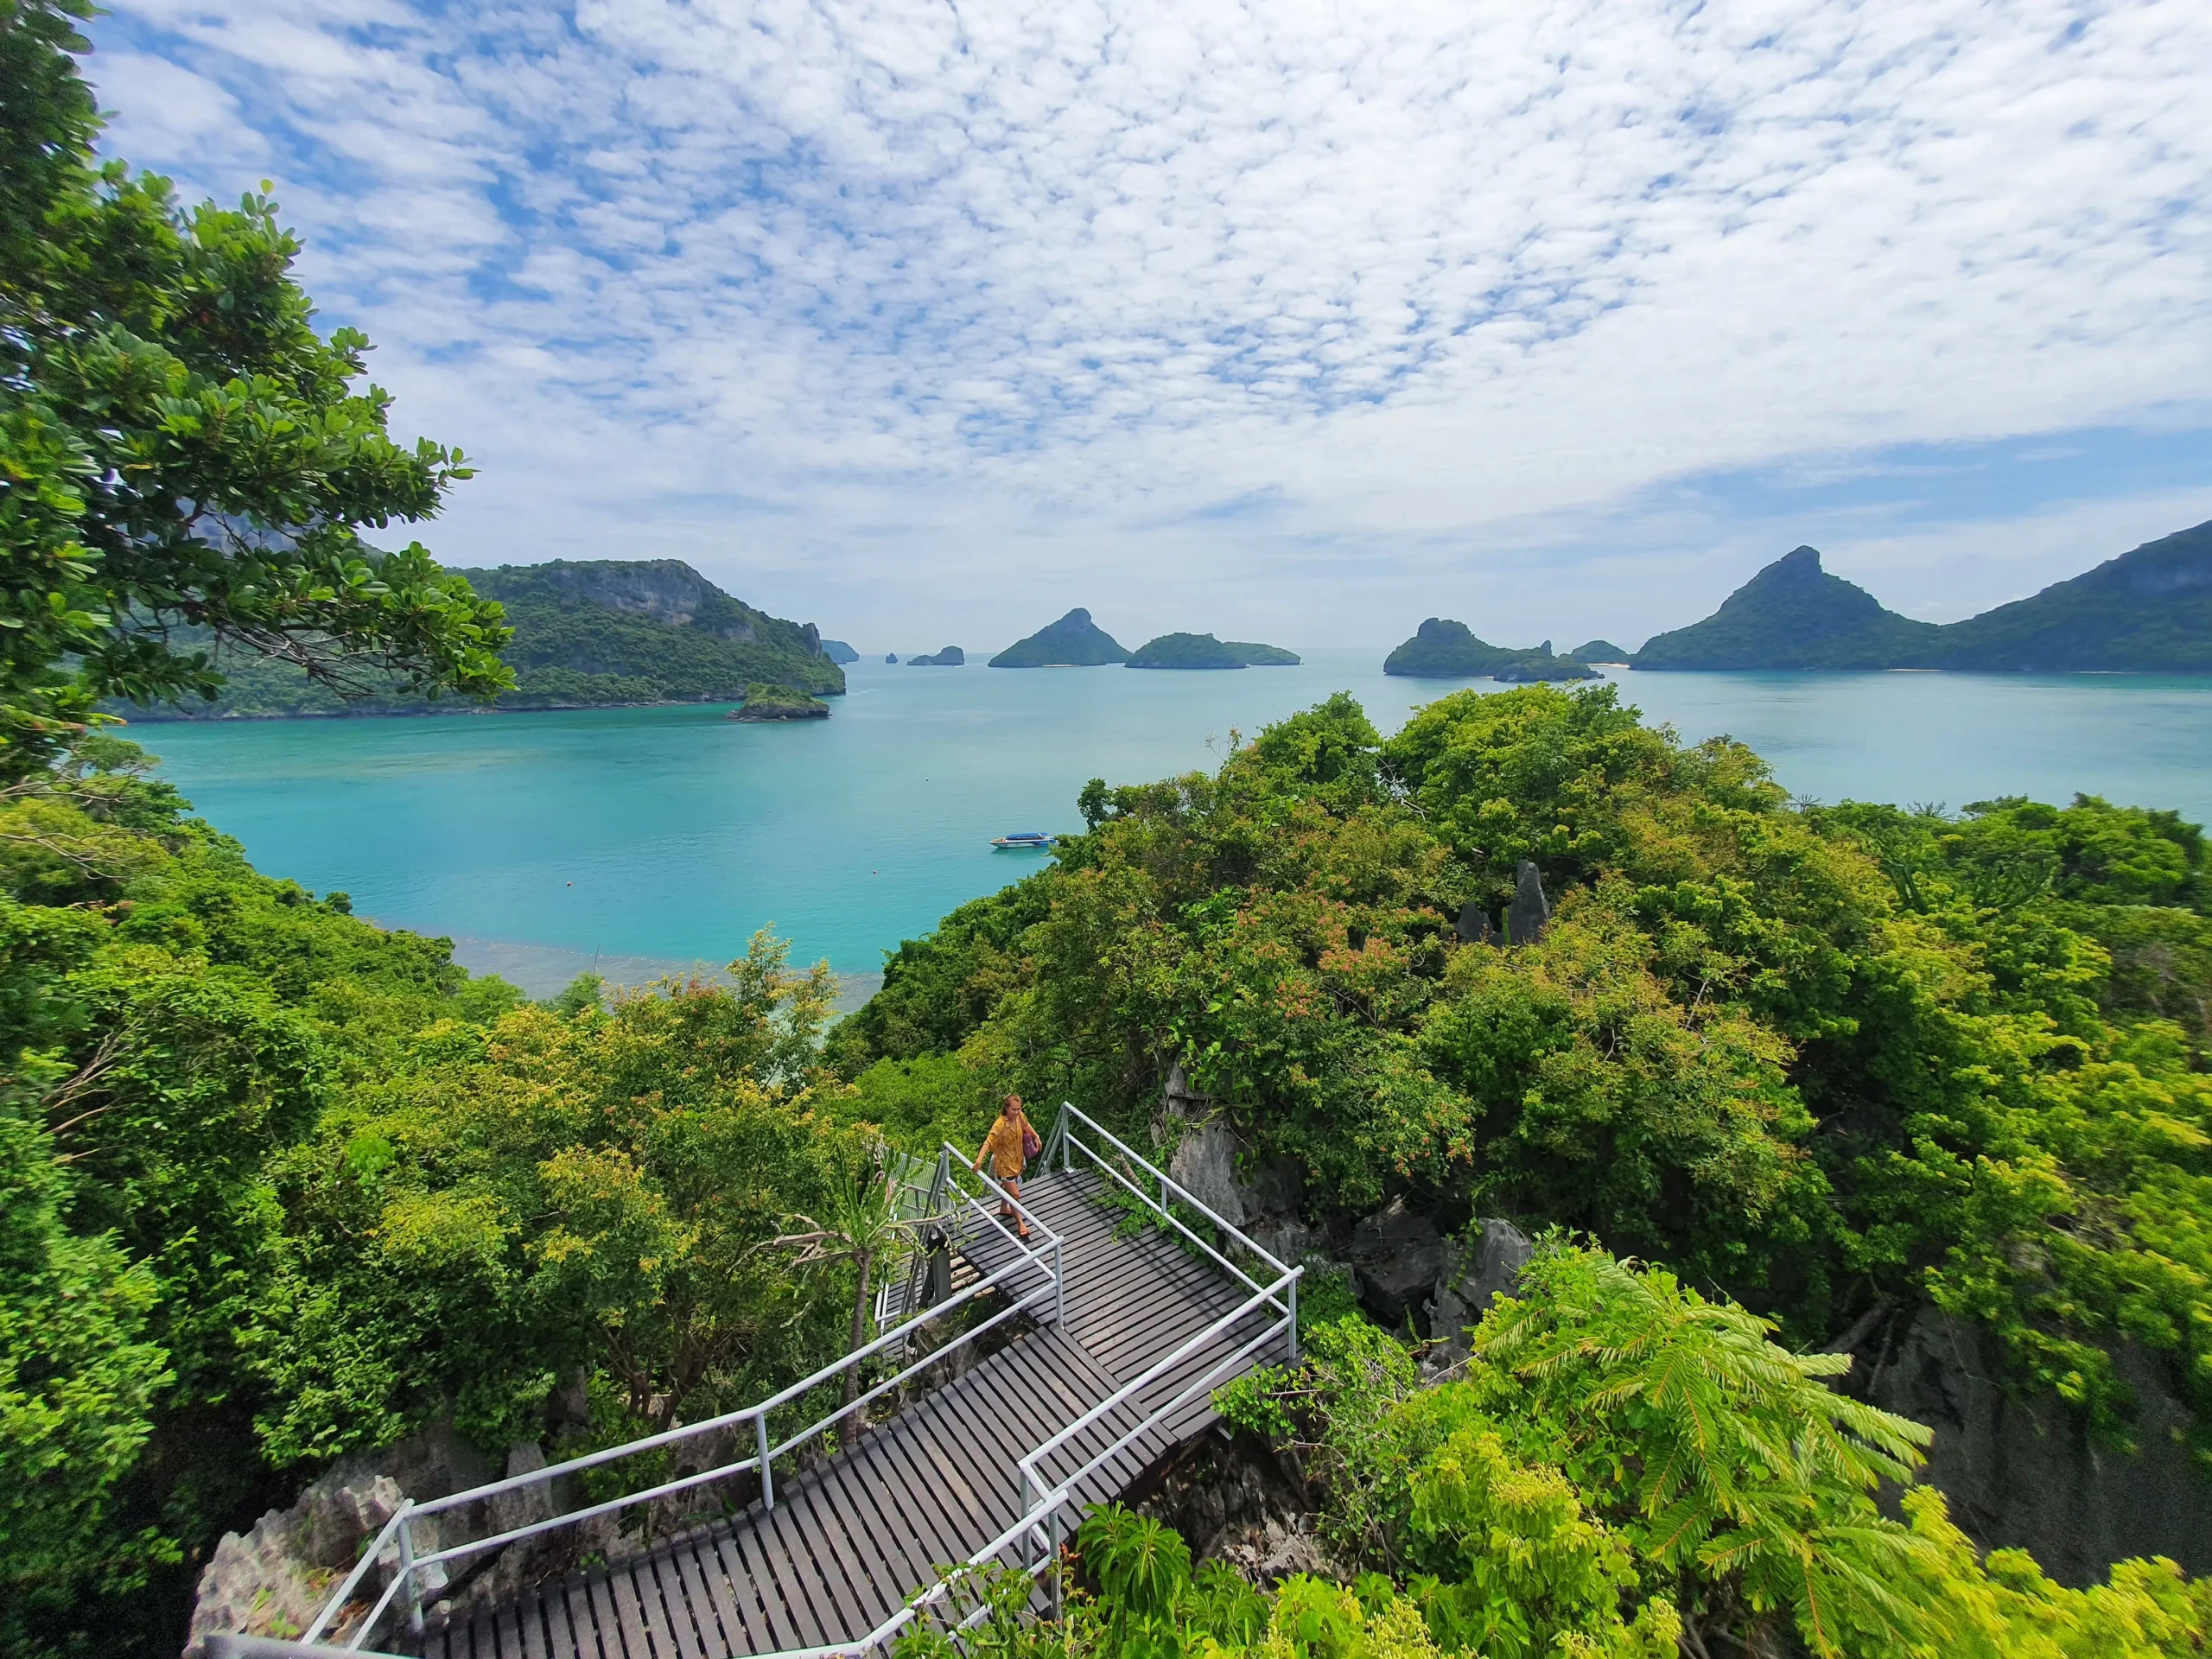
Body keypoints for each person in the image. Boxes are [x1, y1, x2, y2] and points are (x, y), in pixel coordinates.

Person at [974, 1095, 1035, 1240]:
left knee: (1008, 1188)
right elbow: (988, 1142)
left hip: (1017, 1160)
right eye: (1013, 1109)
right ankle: (1020, 1224)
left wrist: (1036, 1136)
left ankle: (1003, 1208)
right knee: (1015, 1195)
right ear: (1006, 1108)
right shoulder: (1000, 1124)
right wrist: (978, 1161)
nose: (1016, 1112)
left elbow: (1026, 1125)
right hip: (1004, 1164)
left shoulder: (1020, 1116)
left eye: (1018, 1109)